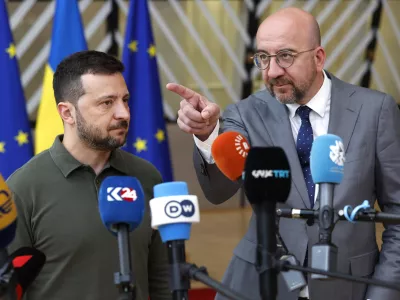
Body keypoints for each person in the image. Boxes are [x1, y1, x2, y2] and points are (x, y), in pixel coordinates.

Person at [167, 7, 400, 300]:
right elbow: (218, 190)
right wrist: (206, 135)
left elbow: (397, 215)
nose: (272, 71)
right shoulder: (246, 113)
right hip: (259, 282)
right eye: (263, 58)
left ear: (318, 57)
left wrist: (382, 295)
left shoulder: (375, 111)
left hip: (348, 284)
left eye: (285, 56)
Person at [6, 50, 171, 300]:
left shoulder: (147, 177)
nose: (124, 113)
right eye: (107, 103)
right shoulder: (23, 187)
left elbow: (162, 279)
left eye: (125, 100)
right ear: (67, 113)